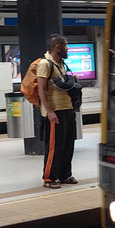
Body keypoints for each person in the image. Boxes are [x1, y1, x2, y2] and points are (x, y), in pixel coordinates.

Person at [37, 34, 77, 189]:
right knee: (54, 146)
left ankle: (64, 174)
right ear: (57, 47)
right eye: (66, 46)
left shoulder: (61, 63)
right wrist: (49, 111)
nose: (67, 49)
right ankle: (49, 178)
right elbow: (41, 89)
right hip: (55, 111)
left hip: (67, 108)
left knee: (67, 144)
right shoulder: (45, 64)